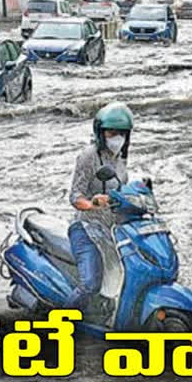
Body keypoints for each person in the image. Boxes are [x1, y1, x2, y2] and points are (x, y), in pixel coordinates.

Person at [66, 102, 133, 311]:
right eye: (112, 133)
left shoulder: (120, 159)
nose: (117, 139)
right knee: (90, 285)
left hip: (111, 231)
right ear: (100, 133)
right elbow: (75, 196)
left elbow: (123, 192)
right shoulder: (89, 156)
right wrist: (93, 203)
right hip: (85, 229)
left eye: (121, 134)